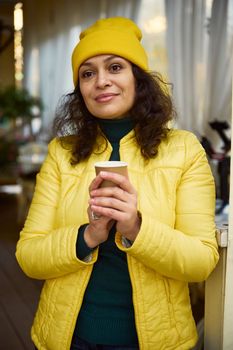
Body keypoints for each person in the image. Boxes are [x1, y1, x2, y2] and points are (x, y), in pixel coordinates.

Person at [16, 17, 219, 350]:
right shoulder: (60, 153)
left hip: (155, 342)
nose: (101, 82)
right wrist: (88, 235)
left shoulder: (183, 149)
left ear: (138, 80)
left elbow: (199, 261)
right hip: (67, 338)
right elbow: (29, 255)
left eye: (115, 67)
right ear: (80, 89)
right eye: (88, 73)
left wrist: (136, 227)